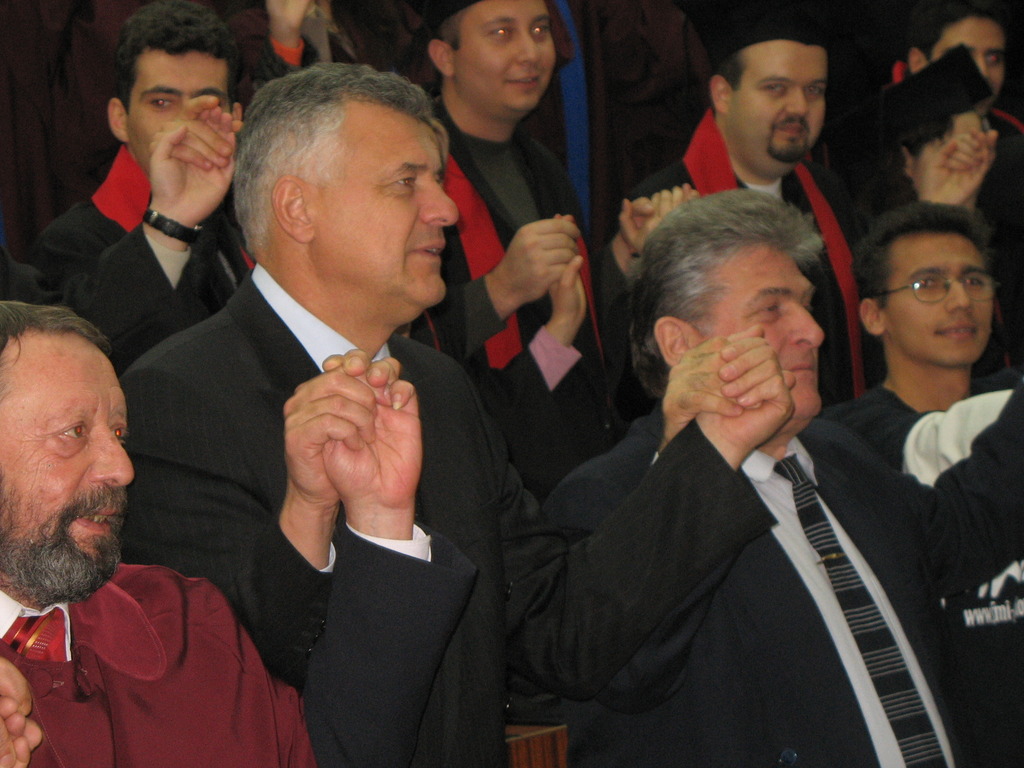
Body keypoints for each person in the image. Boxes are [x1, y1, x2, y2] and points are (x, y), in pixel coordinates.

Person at [118, 63, 783, 767]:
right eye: (406, 182)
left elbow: (563, 632)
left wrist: (709, 445)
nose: (446, 210)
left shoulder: (437, 385)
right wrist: (314, 514)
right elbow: (229, 689)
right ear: (298, 209)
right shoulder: (175, 400)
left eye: (436, 181)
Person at [545, 188, 1024, 767]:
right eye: (772, 309)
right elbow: (620, 672)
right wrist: (698, 460)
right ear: (681, 344)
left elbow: (969, 529)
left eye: (806, 304)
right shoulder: (607, 497)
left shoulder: (839, 455)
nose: (813, 331)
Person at [0, 300, 475, 768]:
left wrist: (379, 511)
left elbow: (327, 756)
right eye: (74, 432)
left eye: (119, 433)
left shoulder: (179, 620)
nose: (121, 469)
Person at [823, 202, 1023, 766]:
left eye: (974, 280)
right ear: (873, 315)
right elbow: (935, 443)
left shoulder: (1007, 398)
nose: (960, 300)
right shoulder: (848, 437)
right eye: (928, 284)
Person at [412, 0, 621, 501]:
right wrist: (501, 289)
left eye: (540, 30)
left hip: (567, 453)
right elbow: (401, 343)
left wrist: (622, 256)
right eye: (503, 33)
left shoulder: (543, 165)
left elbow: (564, 338)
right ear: (444, 56)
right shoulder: (415, 177)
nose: (532, 52)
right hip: (479, 474)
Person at [613, 3, 865, 408]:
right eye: (776, 88)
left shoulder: (829, 192)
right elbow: (634, 381)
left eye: (814, 90)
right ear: (722, 94)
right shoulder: (664, 207)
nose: (799, 107)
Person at [29, 0, 251, 374]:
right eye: (162, 102)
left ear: (235, 118)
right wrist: (170, 222)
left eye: (207, 104)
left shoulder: (242, 224)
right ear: (119, 118)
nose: (184, 124)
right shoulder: (67, 244)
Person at [903, 0, 1019, 134]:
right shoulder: (884, 132)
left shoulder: (1015, 133)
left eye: (993, 58)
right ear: (918, 63)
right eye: (963, 56)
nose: (983, 73)